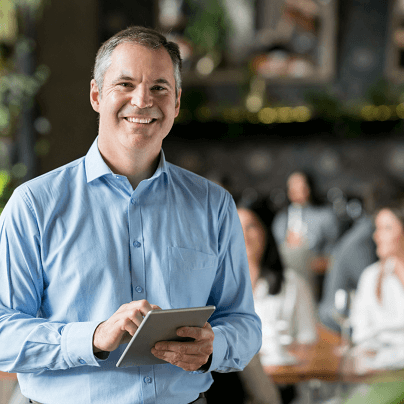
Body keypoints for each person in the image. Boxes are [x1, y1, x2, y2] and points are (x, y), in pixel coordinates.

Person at [0, 26, 262, 404]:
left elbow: (244, 323)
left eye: (159, 87)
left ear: (176, 102)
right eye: (125, 84)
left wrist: (215, 345)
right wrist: (92, 337)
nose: (142, 100)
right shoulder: (33, 206)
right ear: (96, 95)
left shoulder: (214, 206)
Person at [271, 171, 341, 296]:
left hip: (317, 281)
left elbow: (336, 255)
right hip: (287, 283)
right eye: (293, 187)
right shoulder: (281, 220)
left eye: (302, 186)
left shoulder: (325, 217)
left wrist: (313, 263)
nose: (297, 191)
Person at [350, 201, 404, 348]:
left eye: (386, 228)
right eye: (377, 229)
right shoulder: (371, 277)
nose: (377, 236)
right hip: (382, 360)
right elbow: (360, 332)